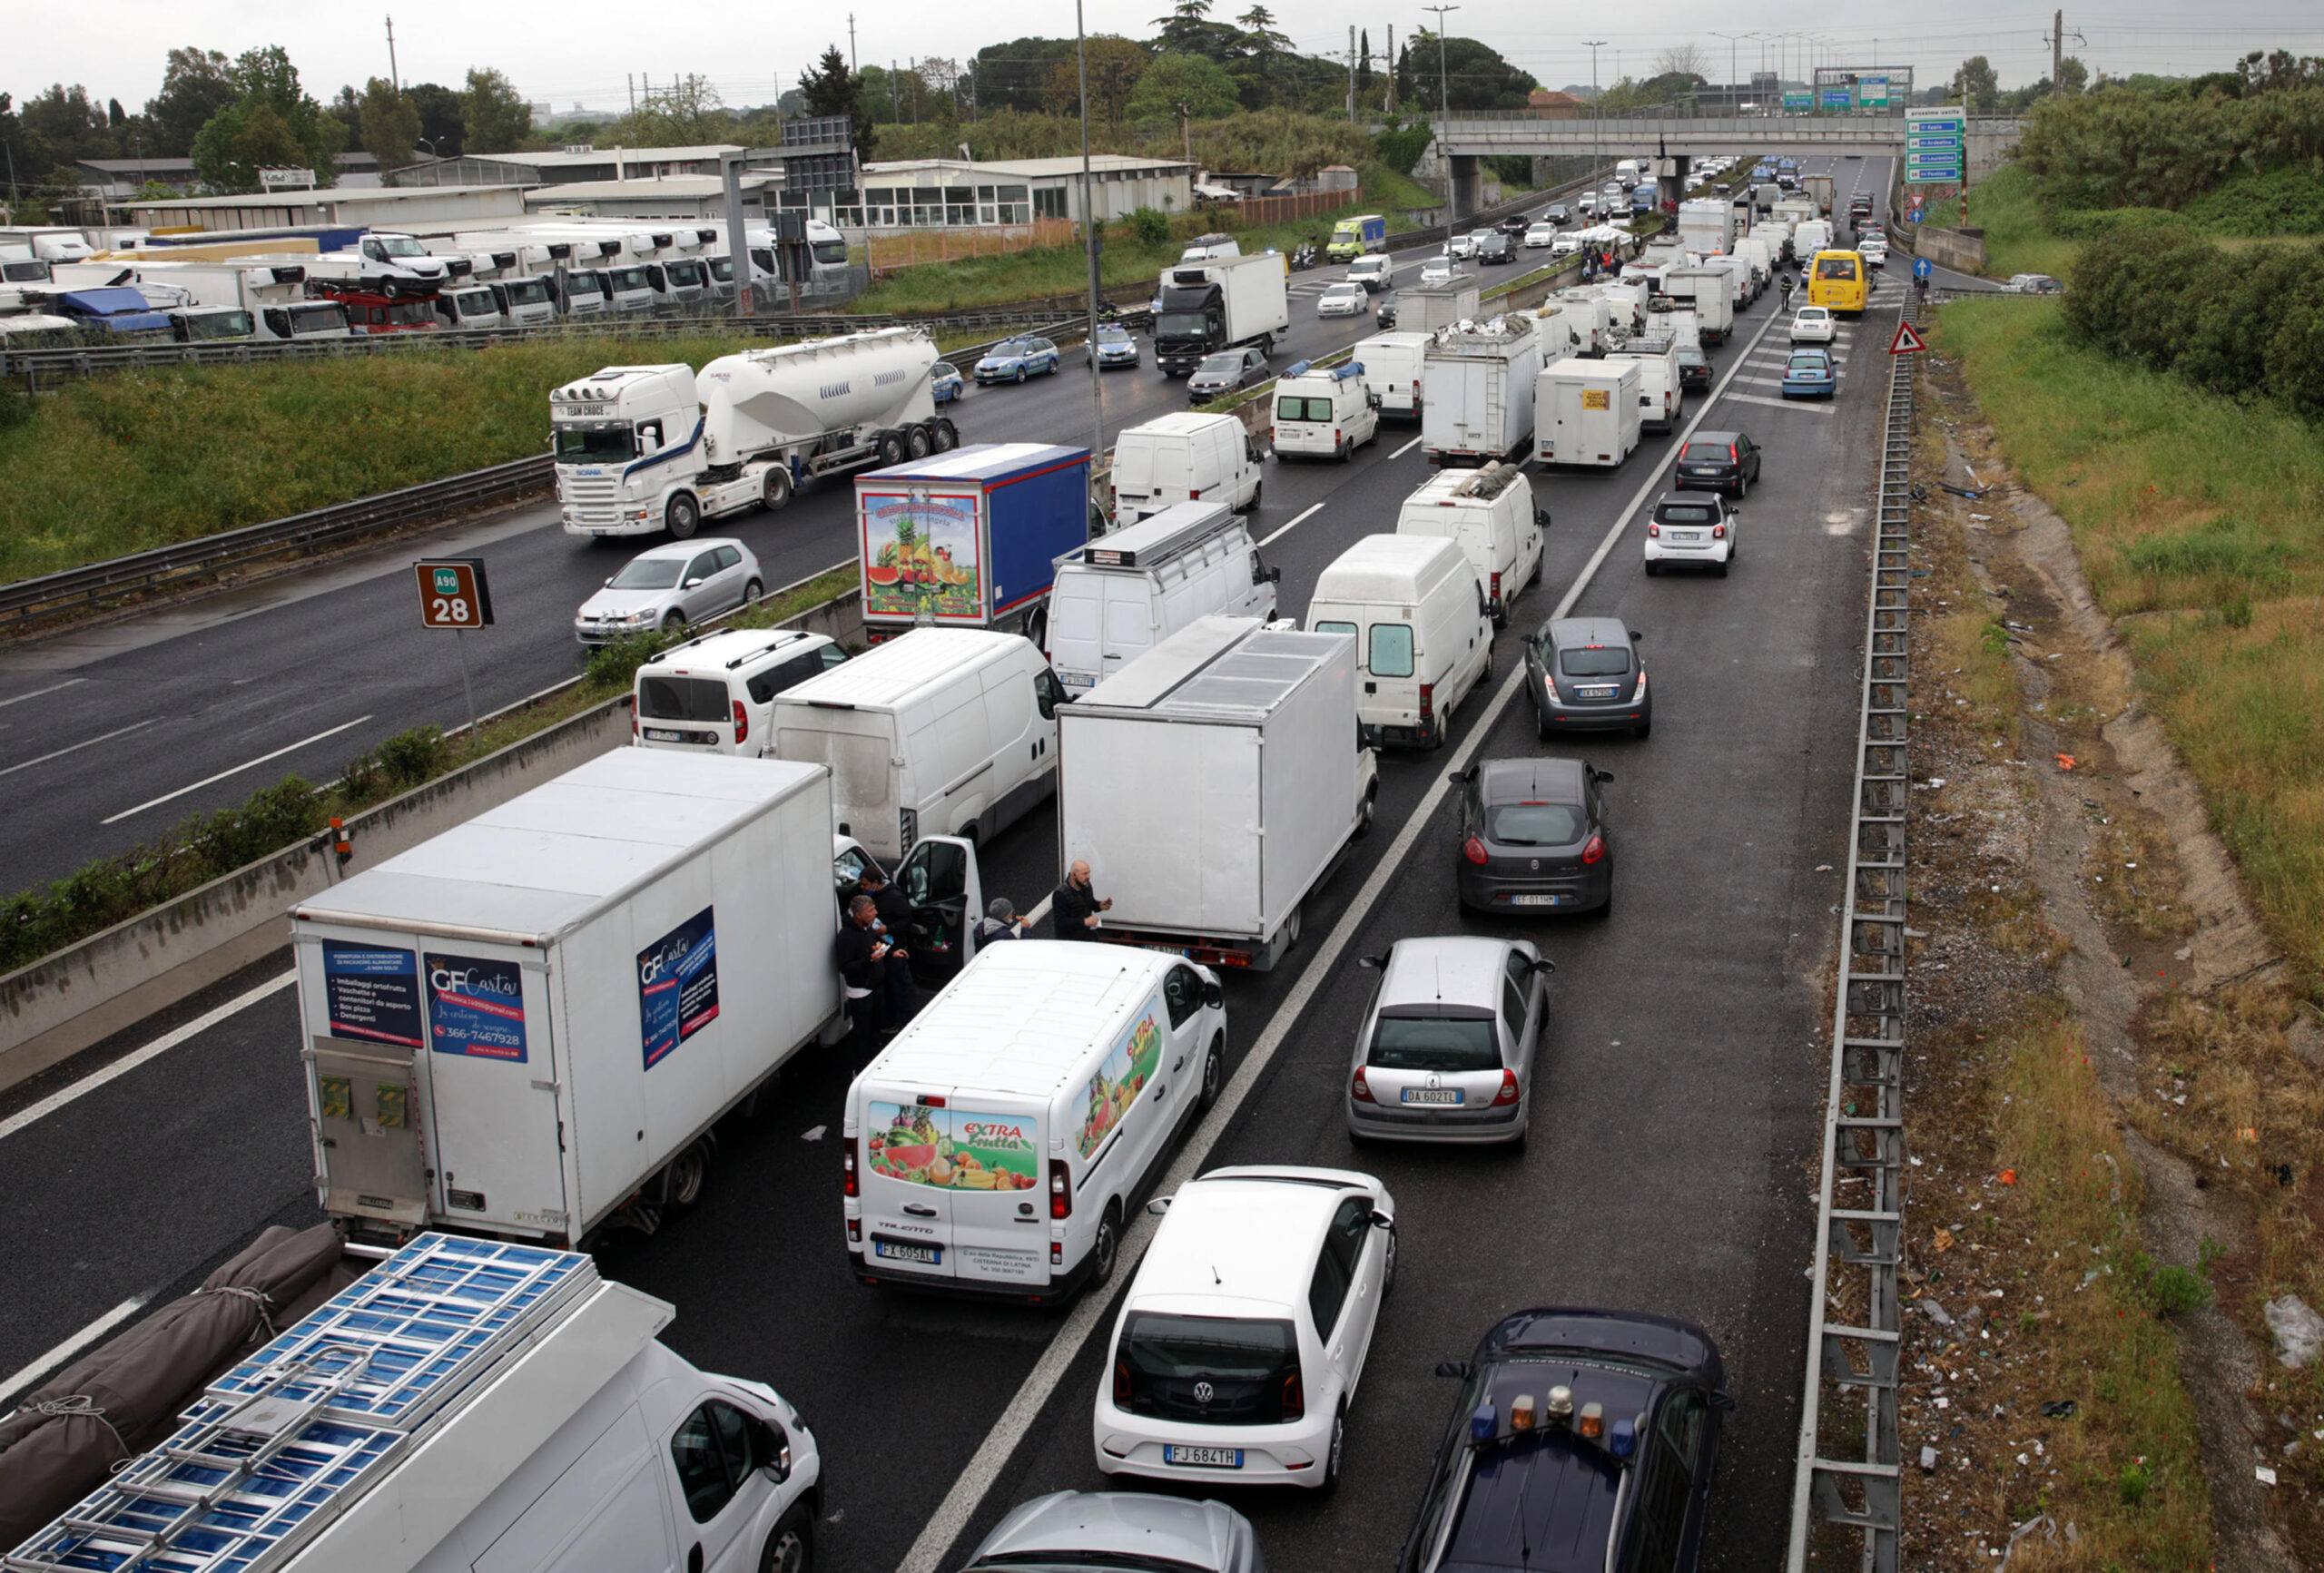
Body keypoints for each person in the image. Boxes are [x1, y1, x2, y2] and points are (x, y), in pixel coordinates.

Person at [835, 895, 913, 1034]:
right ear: (859, 915)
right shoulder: (846, 936)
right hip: (860, 992)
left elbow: (875, 946)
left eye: (874, 908)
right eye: (870, 911)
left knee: (875, 1029)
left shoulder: (868, 927)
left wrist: (891, 953)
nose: (876, 912)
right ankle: (864, 1056)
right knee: (863, 1033)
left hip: (874, 987)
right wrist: (870, 960)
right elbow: (845, 967)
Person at [1050, 860, 1112, 939]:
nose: (1088, 877)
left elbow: (1089, 903)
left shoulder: (1086, 885)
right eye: (1084, 874)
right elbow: (1061, 922)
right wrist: (1084, 922)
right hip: (1070, 940)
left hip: (1088, 936)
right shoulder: (1060, 894)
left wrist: (1100, 906)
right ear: (1073, 875)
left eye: (1089, 873)